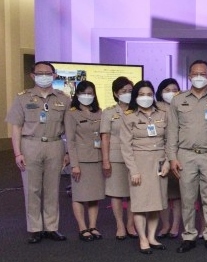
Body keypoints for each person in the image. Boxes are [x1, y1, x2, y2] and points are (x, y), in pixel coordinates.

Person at [6, 62, 71, 243]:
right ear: (33, 76)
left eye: (48, 73)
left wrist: (68, 153)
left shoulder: (63, 98)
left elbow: (68, 129)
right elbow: (16, 127)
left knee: (52, 188)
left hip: (55, 144)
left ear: (54, 75)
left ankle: (51, 227)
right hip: (30, 145)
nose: (44, 76)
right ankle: (35, 228)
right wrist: (17, 153)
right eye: (40, 73)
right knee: (32, 189)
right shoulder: (22, 98)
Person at [166, 60, 207, 253]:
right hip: (186, 155)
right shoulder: (178, 100)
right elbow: (172, 131)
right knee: (188, 198)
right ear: (189, 76)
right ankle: (189, 235)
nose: (199, 77)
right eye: (195, 74)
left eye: (203, 74)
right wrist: (172, 157)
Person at [120, 81, 170, 254]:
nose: (146, 98)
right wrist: (133, 170)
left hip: (159, 162)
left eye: (149, 94)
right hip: (139, 163)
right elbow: (126, 147)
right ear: (135, 96)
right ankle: (142, 239)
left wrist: (168, 162)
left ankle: (152, 237)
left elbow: (169, 141)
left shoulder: (162, 114)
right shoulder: (129, 116)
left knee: (156, 203)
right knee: (140, 203)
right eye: (142, 94)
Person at [64, 81, 105, 241]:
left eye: (90, 93)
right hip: (80, 160)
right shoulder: (72, 113)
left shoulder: (99, 112)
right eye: (83, 93)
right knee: (79, 195)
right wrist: (74, 165)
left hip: (97, 158)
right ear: (77, 95)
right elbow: (70, 141)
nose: (87, 96)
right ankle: (82, 227)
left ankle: (93, 226)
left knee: (94, 195)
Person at [100, 76, 136, 240]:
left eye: (130, 91)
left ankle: (130, 224)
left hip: (135, 156)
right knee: (116, 193)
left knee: (133, 193)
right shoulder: (109, 112)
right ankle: (120, 225)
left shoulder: (137, 110)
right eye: (123, 91)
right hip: (115, 156)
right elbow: (105, 138)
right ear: (116, 93)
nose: (127, 93)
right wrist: (105, 161)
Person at [155, 78, 182, 239]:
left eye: (174, 90)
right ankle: (165, 225)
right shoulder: (155, 108)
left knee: (177, 194)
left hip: (179, 155)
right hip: (158, 155)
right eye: (167, 90)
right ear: (160, 92)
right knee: (162, 193)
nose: (171, 93)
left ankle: (175, 226)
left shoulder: (183, 106)